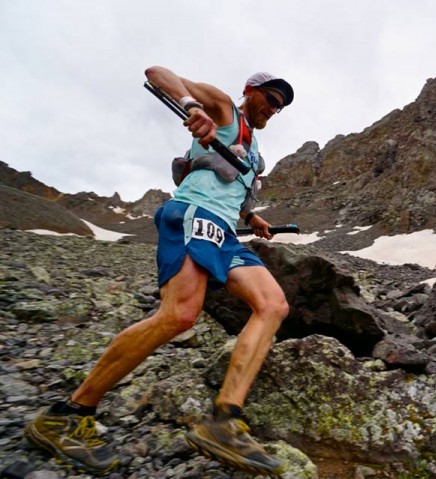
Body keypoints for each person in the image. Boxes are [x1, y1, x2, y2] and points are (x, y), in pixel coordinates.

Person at [24, 66, 294, 475]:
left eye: (281, 106)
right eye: (271, 99)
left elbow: (228, 186)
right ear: (250, 91)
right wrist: (191, 106)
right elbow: (158, 73)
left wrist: (252, 217)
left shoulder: (253, 150)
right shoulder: (223, 108)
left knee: (273, 304)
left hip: (224, 231)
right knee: (180, 315)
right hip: (191, 216)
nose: (275, 109)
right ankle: (68, 413)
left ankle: (225, 422)